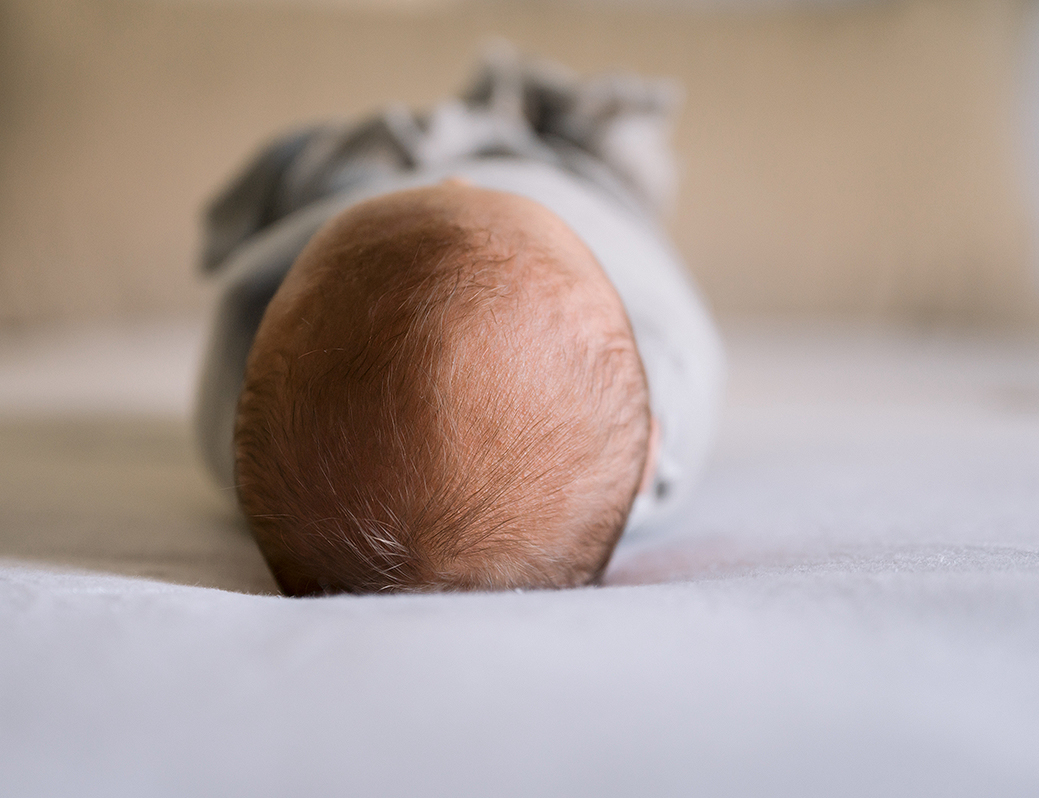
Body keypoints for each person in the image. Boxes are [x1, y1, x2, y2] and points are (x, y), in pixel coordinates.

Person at [194, 45, 725, 595]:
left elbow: (242, 297)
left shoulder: (242, 376)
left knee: (323, 174)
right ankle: (557, 135)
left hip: (355, 207)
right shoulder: (664, 371)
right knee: (613, 159)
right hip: (580, 197)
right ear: (650, 459)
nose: (457, 184)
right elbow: (669, 361)